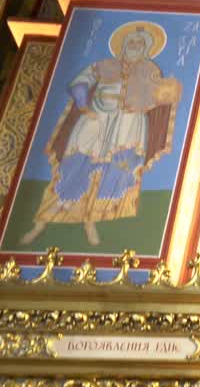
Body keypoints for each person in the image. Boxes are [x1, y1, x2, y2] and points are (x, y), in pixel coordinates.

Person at [20, 22, 181, 248]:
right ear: (123, 45)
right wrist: (84, 106)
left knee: (117, 169)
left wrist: (169, 91)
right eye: (131, 42)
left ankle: (92, 220)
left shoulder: (150, 70)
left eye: (139, 43)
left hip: (129, 124)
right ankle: (44, 220)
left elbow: (160, 96)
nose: (134, 45)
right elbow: (81, 82)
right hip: (96, 119)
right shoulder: (105, 65)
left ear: (146, 49)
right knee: (74, 163)